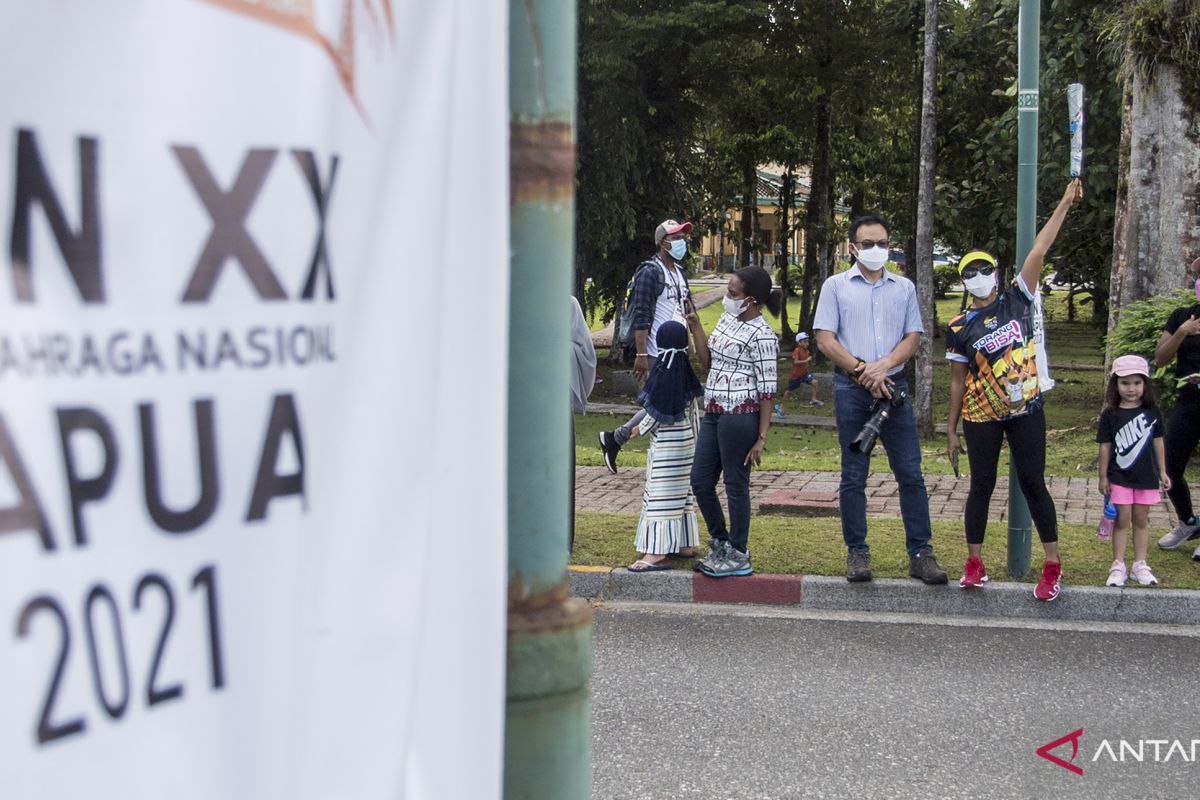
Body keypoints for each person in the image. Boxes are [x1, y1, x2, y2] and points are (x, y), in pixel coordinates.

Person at [945, 179, 1083, 601]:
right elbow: (957, 380)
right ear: (963, 282)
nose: (978, 277)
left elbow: (1040, 250)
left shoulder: (1018, 298)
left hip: (1026, 410)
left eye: (984, 269)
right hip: (979, 415)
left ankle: (1052, 565)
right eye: (970, 273)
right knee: (980, 485)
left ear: (998, 272)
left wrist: (1063, 202)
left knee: (1032, 482)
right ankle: (974, 564)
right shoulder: (957, 326)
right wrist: (950, 430)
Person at [814, 214, 948, 585]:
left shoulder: (903, 288)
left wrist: (884, 366)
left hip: (895, 390)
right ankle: (857, 553)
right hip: (851, 390)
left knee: (910, 473)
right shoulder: (835, 286)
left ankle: (921, 553)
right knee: (854, 475)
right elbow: (826, 339)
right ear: (853, 248)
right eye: (868, 244)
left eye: (882, 243)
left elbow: (913, 336)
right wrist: (862, 372)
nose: (876, 250)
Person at [691, 266, 779, 578]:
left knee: (735, 483)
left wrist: (761, 437)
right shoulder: (728, 319)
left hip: (741, 415)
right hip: (714, 410)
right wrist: (696, 327)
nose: (727, 297)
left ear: (751, 300)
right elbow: (707, 363)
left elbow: (768, 390)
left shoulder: (763, 335)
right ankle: (721, 542)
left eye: (733, 293)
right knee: (700, 480)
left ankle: (739, 552)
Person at [598, 219, 694, 473]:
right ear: (662, 242)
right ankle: (619, 441)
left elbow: (686, 311)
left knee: (667, 407)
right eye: (675, 238)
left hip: (677, 352)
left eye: (682, 237)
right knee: (662, 407)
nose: (680, 242)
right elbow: (641, 314)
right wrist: (641, 353)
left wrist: (690, 343)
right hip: (655, 353)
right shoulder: (650, 272)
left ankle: (614, 439)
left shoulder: (679, 273)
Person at [625, 319, 708, 571]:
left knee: (660, 495)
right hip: (687, 447)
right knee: (681, 495)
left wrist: (639, 429)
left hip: (668, 449)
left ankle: (656, 552)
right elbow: (694, 411)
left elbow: (657, 408)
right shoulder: (684, 371)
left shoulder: (664, 371)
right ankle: (684, 544)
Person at [1097, 354, 1169, 587]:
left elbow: (1158, 443)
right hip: (1119, 477)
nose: (1131, 388)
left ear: (1145, 384)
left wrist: (1163, 472)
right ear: (1115, 385)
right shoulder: (1110, 414)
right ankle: (1118, 564)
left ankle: (1140, 564)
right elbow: (1105, 446)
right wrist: (1103, 475)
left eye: (1137, 383)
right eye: (1125, 383)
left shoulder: (1152, 413)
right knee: (1121, 519)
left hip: (1146, 477)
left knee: (1141, 519)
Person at [1155, 255, 1200, 556]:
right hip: (1189, 399)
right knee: (1169, 464)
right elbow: (1160, 357)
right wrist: (1183, 332)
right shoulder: (1182, 316)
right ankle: (1187, 522)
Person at [774, 332, 822, 418]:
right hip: (796, 376)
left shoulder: (806, 351)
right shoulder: (797, 350)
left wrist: (806, 367)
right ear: (799, 343)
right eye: (804, 342)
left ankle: (813, 399)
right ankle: (781, 406)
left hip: (804, 374)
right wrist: (806, 361)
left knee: (815, 382)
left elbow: (805, 364)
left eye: (807, 342)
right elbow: (795, 362)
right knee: (789, 391)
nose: (807, 343)